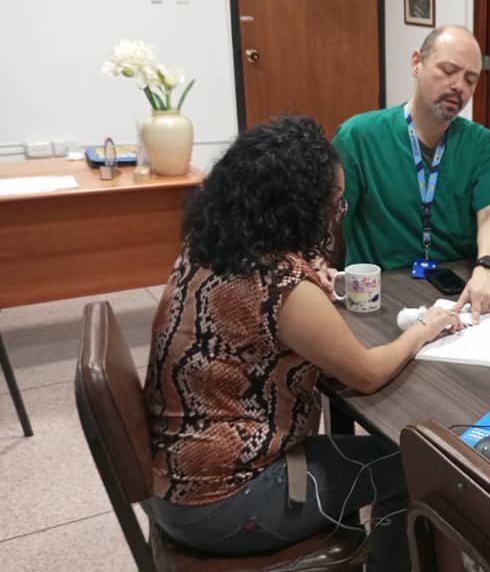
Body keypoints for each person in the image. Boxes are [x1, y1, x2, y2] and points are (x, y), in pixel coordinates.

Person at [143, 115, 461, 570]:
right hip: (224, 503)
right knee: (413, 470)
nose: (336, 212)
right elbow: (366, 374)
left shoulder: (211, 242)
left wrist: (312, 276)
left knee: (372, 456)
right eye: (333, 201)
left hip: (177, 478)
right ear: (296, 205)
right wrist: (425, 329)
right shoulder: (280, 283)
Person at [333, 25, 490, 323]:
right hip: (379, 293)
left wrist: (487, 267)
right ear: (417, 63)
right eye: (448, 71)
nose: (459, 87)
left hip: (456, 289)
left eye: (470, 79)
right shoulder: (358, 137)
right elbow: (325, 216)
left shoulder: (482, 144)